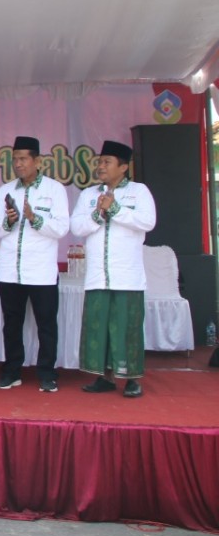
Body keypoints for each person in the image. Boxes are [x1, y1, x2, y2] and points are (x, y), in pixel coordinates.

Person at [70, 140, 157, 398]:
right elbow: (77, 227)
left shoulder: (139, 192)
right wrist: (98, 214)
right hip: (98, 275)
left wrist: (116, 209)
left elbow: (148, 221)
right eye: (99, 161)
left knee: (126, 328)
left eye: (107, 162)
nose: (100, 166)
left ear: (123, 166)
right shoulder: (88, 195)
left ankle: (132, 379)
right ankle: (103, 378)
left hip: (127, 276)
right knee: (99, 327)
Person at [0, 137, 70, 393]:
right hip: (9, 271)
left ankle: (47, 373)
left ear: (38, 161)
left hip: (41, 271)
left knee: (46, 324)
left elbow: (61, 228)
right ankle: (12, 371)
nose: (18, 164)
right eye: (15, 159)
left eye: (24, 159)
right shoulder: (5, 191)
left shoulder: (54, 189)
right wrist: (9, 222)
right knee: (11, 323)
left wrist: (34, 219)